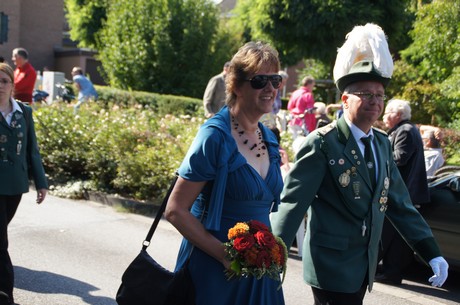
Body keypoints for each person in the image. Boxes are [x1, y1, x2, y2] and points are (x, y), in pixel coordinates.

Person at [270, 23, 448, 305]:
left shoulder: (381, 143)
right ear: (345, 100)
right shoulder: (323, 142)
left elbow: (399, 203)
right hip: (330, 266)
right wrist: (272, 255)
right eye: (365, 94)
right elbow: (292, 203)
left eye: (379, 95)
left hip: (363, 265)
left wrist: (431, 251)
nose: (375, 101)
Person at [165, 41, 285, 305]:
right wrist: (223, 255)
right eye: (259, 80)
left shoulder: (269, 138)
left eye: (275, 80)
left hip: (261, 271)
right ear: (236, 85)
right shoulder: (215, 136)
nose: (270, 88)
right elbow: (175, 210)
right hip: (215, 270)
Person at [0, 63, 48, 305]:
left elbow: (32, 151)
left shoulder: (24, 112)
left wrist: (41, 183)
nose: (0, 86)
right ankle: (6, 294)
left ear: (12, 85)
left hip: (15, 185)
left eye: (4, 81)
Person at [377, 98, 430, 285]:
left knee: (391, 234)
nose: (384, 116)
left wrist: (377, 157)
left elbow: (400, 158)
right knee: (395, 236)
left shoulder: (405, 130)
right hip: (406, 192)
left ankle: (390, 272)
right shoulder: (405, 129)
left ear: (397, 115)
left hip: (404, 192)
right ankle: (390, 272)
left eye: (387, 113)